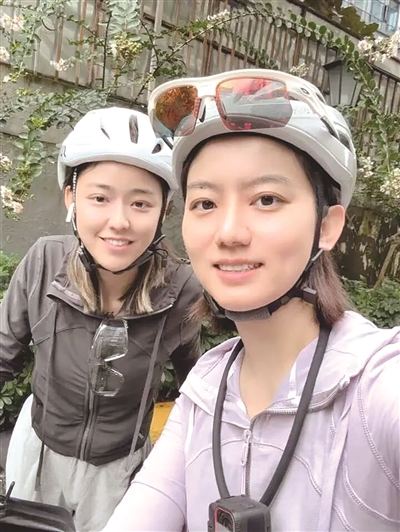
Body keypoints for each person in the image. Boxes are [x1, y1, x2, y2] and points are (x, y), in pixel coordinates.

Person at [103, 70, 400, 531]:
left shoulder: (376, 387)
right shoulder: (207, 388)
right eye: (205, 203)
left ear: (327, 226)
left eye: (266, 199)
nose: (229, 233)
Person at [1, 107, 202, 531]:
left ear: (164, 209)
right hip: (39, 452)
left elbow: (195, 384)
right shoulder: (44, 261)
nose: (120, 221)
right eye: (99, 198)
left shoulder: (182, 287)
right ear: (71, 199)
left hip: (119, 467)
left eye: (141, 203)